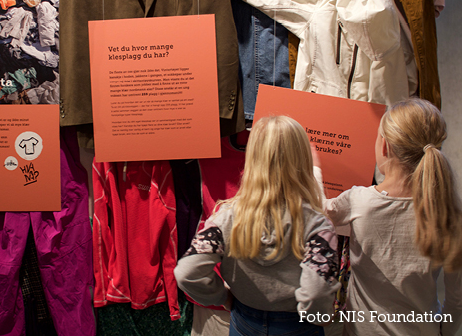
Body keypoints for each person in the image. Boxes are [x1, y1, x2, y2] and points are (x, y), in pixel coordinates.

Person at [174, 115, 340, 336]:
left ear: (252, 158)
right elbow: (317, 293)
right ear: (302, 160)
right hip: (298, 325)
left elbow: (187, 273)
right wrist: (318, 315)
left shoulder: (225, 217)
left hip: (244, 320)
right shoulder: (318, 225)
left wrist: (223, 297)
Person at [323, 98, 462, 335]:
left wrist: (312, 168)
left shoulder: (359, 201)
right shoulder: (449, 212)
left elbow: (318, 212)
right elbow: (457, 299)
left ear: (385, 146)